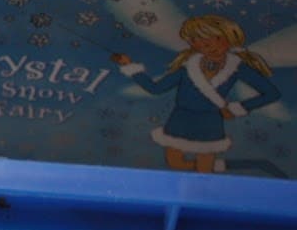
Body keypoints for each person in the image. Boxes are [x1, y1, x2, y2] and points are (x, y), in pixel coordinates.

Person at [111, 14, 282, 175]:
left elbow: (271, 93)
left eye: (214, 38)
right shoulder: (187, 68)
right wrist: (130, 67)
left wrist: (239, 108)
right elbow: (156, 89)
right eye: (197, 40)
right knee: (176, 164)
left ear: (229, 37)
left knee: (204, 170)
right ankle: (222, 166)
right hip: (180, 119)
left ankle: (209, 183)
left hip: (209, 122)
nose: (206, 45)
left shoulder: (237, 67)